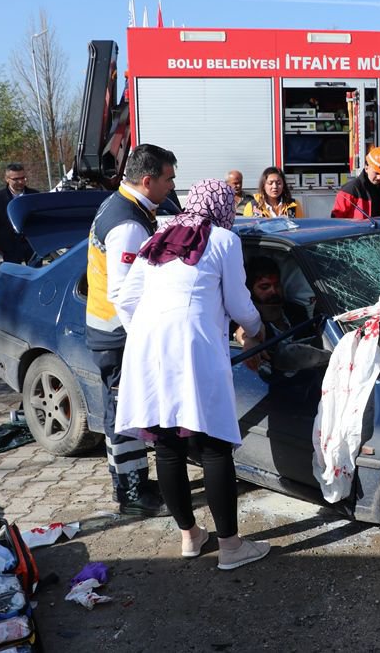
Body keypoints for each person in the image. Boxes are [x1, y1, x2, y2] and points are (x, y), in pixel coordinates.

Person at [114, 178, 271, 570]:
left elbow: (127, 299)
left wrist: (151, 334)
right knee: (214, 442)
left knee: (167, 444)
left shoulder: (161, 234)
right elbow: (239, 302)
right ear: (223, 207)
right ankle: (231, 547)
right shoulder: (223, 240)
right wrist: (256, 330)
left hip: (148, 346)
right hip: (194, 346)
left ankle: (190, 536)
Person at [85, 143, 177, 517]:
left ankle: (130, 478)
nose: (172, 186)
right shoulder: (126, 223)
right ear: (147, 180)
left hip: (110, 328)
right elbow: (123, 293)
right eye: (169, 179)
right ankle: (131, 492)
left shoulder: (127, 206)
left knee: (122, 409)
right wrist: (144, 339)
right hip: (117, 333)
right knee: (124, 412)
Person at [244, 257, 329, 374]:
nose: (273, 291)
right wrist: (249, 338)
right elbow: (240, 329)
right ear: (250, 291)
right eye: (264, 287)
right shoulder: (250, 323)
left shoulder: (296, 311)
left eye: (277, 285)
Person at [0, 163, 37, 264]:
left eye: (23, 178)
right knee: (14, 277)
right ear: (7, 179)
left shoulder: (34, 196)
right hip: (9, 247)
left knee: (37, 275)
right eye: (16, 179)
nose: (20, 181)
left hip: (33, 245)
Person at [331, 147, 380, 220]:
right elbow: (336, 221)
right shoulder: (350, 189)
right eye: (376, 173)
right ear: (366, 167)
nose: (379, 177)